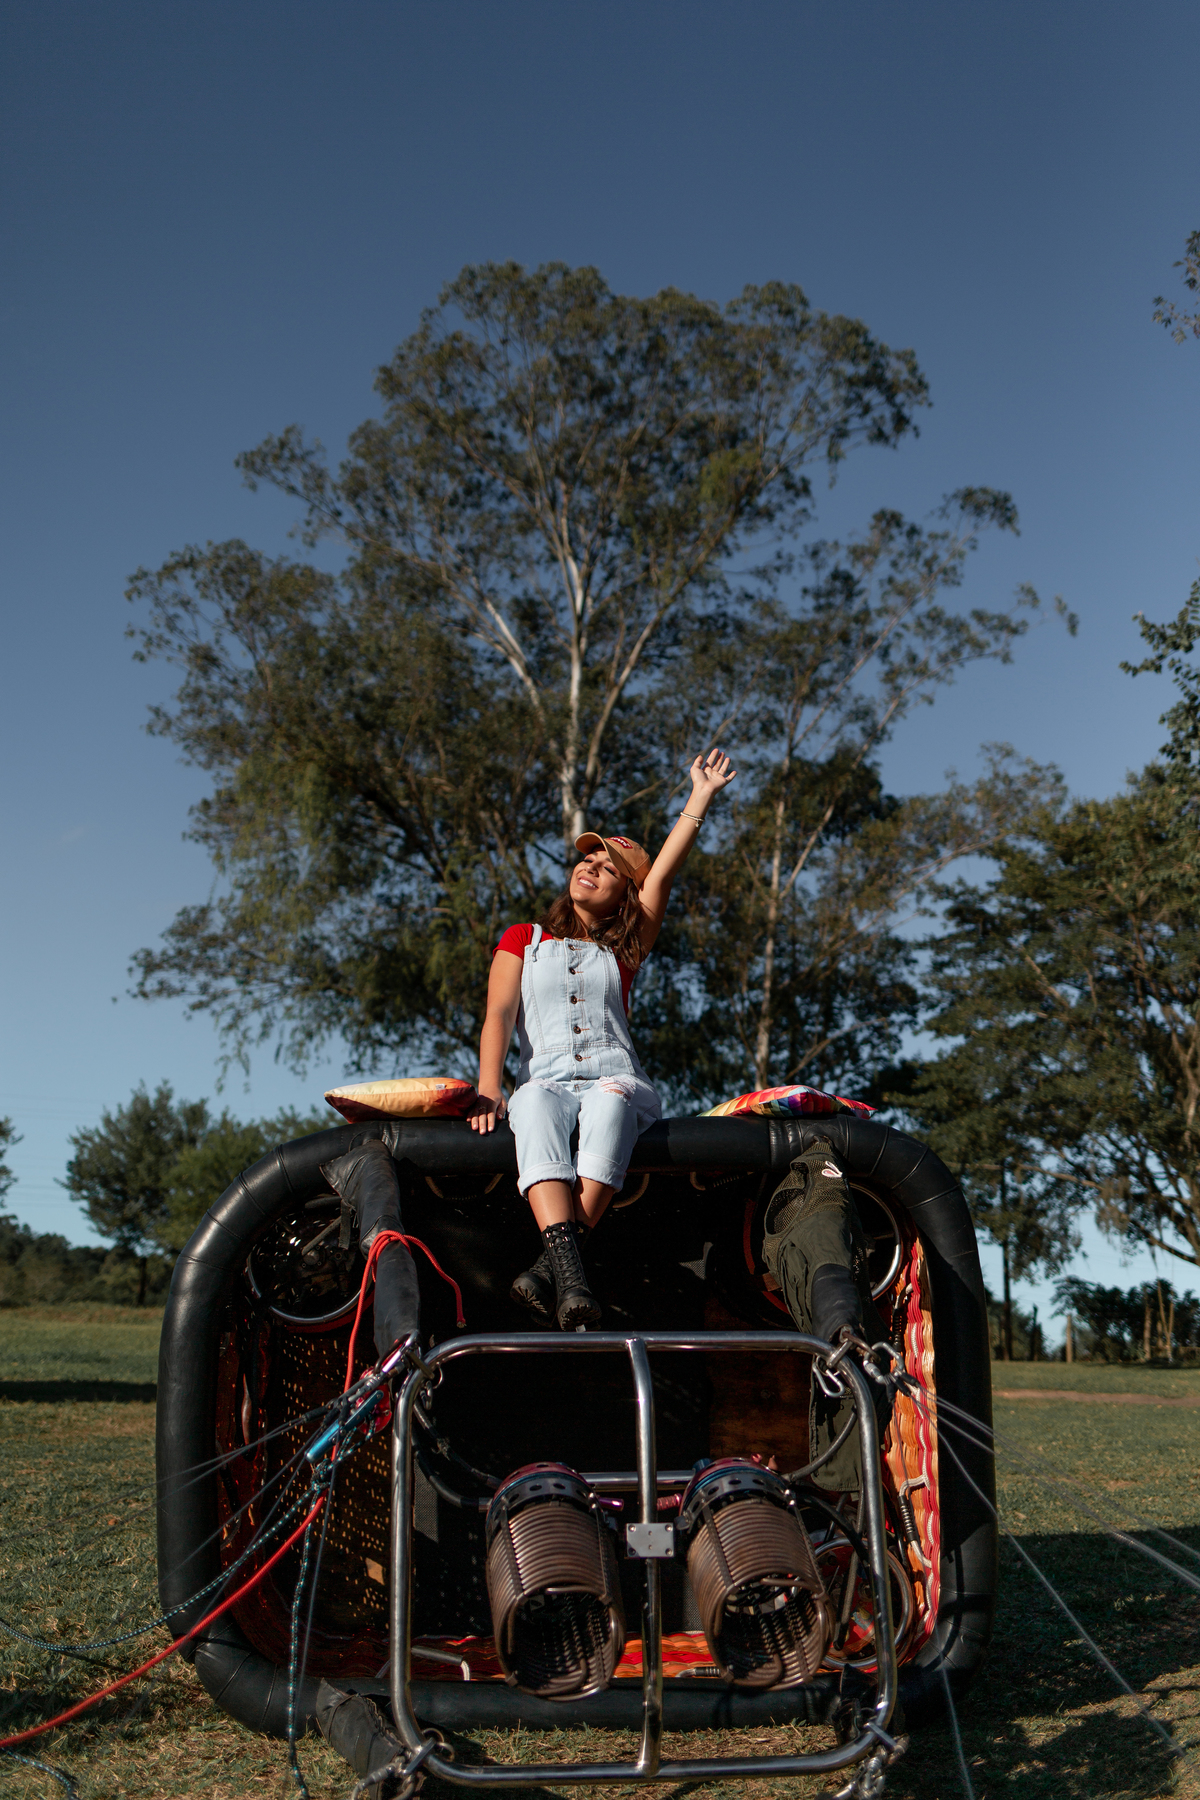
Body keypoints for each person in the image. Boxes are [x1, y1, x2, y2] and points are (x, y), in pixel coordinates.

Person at [468, 750, 737, 1328]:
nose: (589, 866)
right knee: (532, 1104)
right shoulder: (523, 937)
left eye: (608, 867)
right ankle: (566, 1277)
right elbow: (498, 1014)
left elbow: (661, 871)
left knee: (611, 1109)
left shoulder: (627, 947)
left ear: (626, 894)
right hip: (547, 1079)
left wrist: (700, 796)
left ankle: (554, 1270)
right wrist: (489, 1086)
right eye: (587, 857)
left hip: (611, 1076)